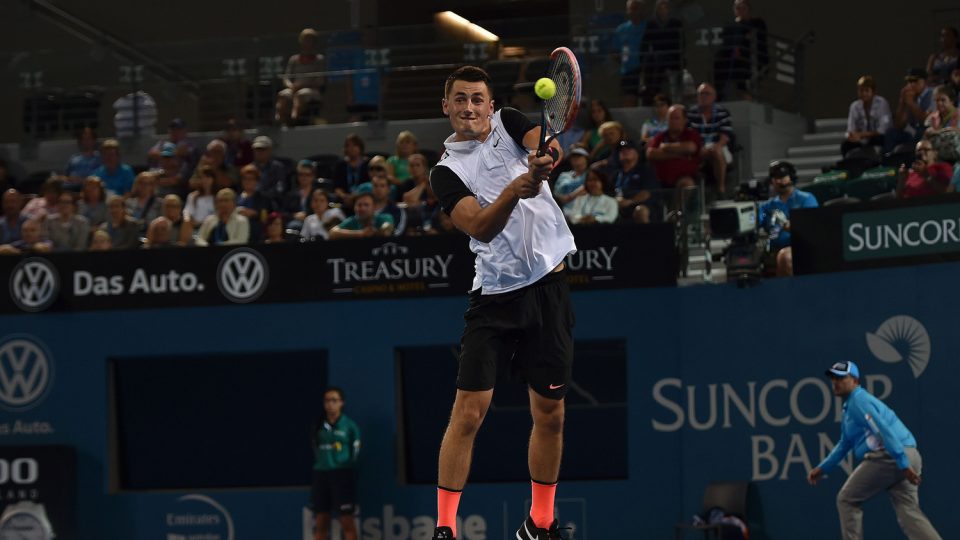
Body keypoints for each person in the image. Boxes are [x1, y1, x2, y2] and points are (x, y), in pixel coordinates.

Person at [427, 65, 574, 540]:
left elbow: (548, 144)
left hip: (548, 291)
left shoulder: (510, 122)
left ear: (490, 105)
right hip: (494, 298)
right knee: (468, 412)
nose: (469, 107)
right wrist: (516, 188)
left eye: (477, 99)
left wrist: (546, 158)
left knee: (550, 414)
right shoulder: (445, 172)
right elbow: (481, 226)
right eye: (460, 99)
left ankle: (540, 523)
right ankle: (446, 530)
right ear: (446, 106)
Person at [808, 361, 941, 540]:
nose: (835, 382)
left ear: (854, 381)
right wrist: (822, 468)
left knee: (846, 499)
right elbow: (844, 444)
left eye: (841, 378)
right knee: (909, 513)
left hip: (891, 457)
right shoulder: (850, 408)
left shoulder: (858, 400)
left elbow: (882, 429)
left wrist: (902, 463)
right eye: (833, 378)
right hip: (909, 454)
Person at [311, 386, 361, 540]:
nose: (330, 404)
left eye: (334, 400)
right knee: (321, 521)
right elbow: (315, 448)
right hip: (321, 474)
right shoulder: (319, 425)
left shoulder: (350, 426)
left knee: (346, 520)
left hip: (341, 475)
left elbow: (356, 451)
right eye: (327, 400)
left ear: (341, 403)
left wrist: (343, 465)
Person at [757, 161, 818, 277]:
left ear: (791, 177)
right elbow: (758, 221)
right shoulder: (767, 206)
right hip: (773, 248)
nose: (779, 181)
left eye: (782, 177)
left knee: (785, 256)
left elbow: (811, 227)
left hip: (801, 248)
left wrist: (789, 225)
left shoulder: (806, 199)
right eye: (775, 178)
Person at [647, 104, 702, 209]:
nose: (672, 121)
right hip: (660, 182)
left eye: (676, 118)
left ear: (684, 120)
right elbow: (651, 154)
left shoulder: (691, 135)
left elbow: (690, 148)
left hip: (684, 179)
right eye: (670, 118)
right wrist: (680, 154)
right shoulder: (660, 137)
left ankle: (677, 214)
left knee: (687, 183)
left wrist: (665, 147)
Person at [714, 0, 768, 100]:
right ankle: (719, 96)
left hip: (749, 55)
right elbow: (727, 41)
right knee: (719, 63)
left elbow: (757, 38)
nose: (741, 11)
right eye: (738, 8)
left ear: (748, 10)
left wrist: (742, 41)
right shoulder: (730, 26)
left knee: (740, 65)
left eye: (743, 8)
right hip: (732, 56)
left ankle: (746, 93)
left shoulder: (757, 23)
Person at [687, 83, 734, 196]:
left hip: (718, 146)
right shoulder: (691, 113)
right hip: (699, 148)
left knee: (716, 152)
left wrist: (717, 146)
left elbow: (725, 135)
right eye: (701, 94)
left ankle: (720, 189)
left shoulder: (723, 112)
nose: (703, 96)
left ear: (714, 96)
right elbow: (689, 135)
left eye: (707, 94)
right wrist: (700, 148)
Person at [277, 28, 326, 126]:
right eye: (305, 40)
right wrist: (291, 86)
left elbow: (320, 81)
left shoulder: (319, 59)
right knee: (283, 94)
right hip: (294, 88)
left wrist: (302, 86)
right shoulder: (294, 59)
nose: (307, 43)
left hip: (311, 90)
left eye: (310, 40)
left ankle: (294, 120)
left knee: (300, 94)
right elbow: (286, 78)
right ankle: (280, 120)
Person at [640, 0, 683, 103]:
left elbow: (681, 43)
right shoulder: (651, 24)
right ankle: (649, 90)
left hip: (673, 57)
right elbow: (645, 42)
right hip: (656, 58)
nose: (663, 11)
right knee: (651, 59)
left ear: (668, 9)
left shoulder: (676, 23)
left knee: (658, 58)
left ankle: (653, 91)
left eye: (665, 8)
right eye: (660, 8)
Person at [612, 139, 661, 223]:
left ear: (637, 153)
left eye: (629, 149)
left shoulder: (645, 170)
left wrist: (630, 201)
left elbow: (648, 192)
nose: (625, 151)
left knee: (641, 210)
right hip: (620, 208)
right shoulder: (616, 174)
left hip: (644, 206)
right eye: (622, 150)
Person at [842, 76, 892, 157]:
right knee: (846, 145)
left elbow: (883, 129)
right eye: (861, 90)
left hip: (876, 138)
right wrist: (851, 136)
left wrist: (863, 135)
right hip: (860, 140)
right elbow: (850, 129)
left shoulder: (881, 103)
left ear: (873, 91)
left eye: (867, 90)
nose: (864, 94)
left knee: (882, 139)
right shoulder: (854, 106)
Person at [889, 68, 937, 150]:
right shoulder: (909, 95)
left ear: (924, 81)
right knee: (891, 133)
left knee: (921, 132)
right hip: (911, 132)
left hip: (926, 132)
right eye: (909, 81)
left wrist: (911, 103)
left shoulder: (933, 94)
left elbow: (926, 121)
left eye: (915, 81)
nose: (911, 84)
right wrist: (902, 101)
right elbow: (899, 124)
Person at [614, 0, 649, 106]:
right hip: (628, 72)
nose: (633, 12)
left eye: (636, 8)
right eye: (631, 9)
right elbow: (615, 53)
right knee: (629, 100)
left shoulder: (648, 27)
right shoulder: (621, 30)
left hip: (647, 71)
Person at [328, 192, 393, 239]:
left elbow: (387, 228)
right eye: (359, 205)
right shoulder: (352, 220)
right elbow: (333, 233)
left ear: (374, 207)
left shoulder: (385, 217)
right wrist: (360, 233)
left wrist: (377, 233)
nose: (362, 208)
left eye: (366, 205)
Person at [333, 134, 371, 205]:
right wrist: (344, 196)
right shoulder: (340, 165)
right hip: (344, 200)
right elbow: (336, 187)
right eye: (348, 146)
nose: (351, 148)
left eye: (354, 145)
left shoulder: (368, 164)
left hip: (363, 198)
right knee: (334, 206)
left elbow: (369, 185)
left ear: (360, 147)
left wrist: (354, 196)